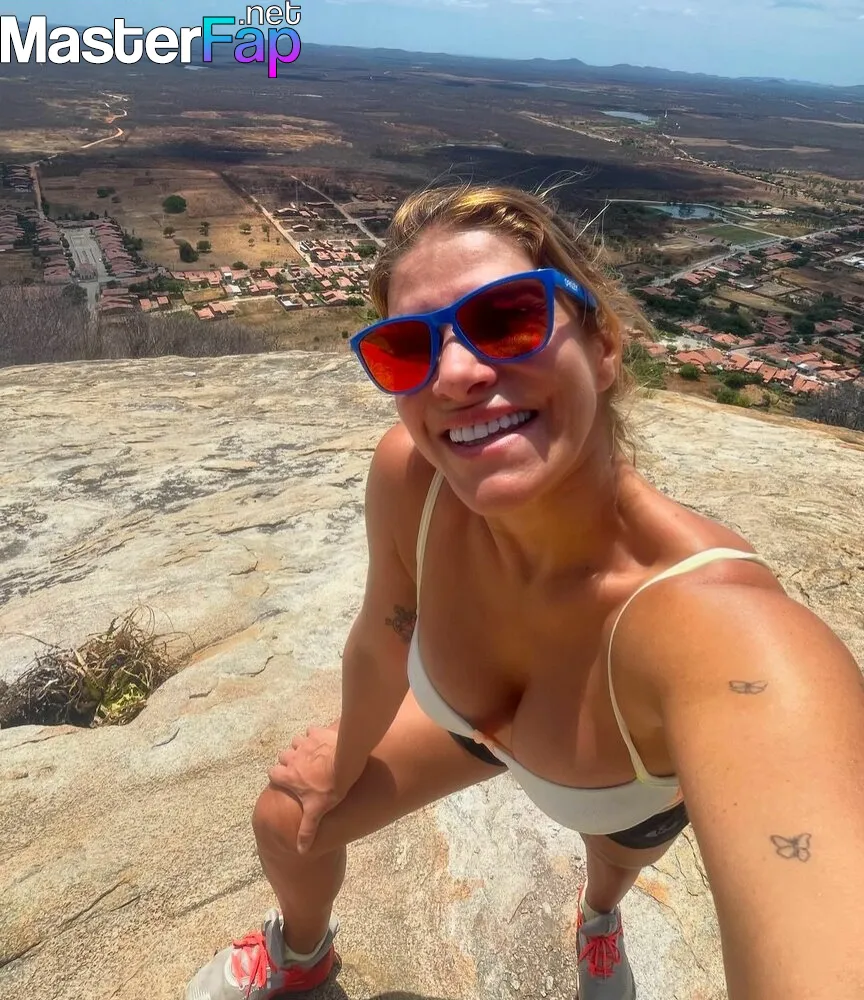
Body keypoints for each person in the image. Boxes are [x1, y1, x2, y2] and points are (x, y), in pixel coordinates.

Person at [185, 183, 864, 1000]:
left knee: (610, 864)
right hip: (467, 725)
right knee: (288, 818)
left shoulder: (724, 634)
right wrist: (348, 756)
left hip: (612, 791)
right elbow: (383, 634)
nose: (456, 375)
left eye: (507, 318)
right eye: (407, 349)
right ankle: (303, 956)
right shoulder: (414, 480)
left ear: (604, 346)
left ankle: (599, 917)